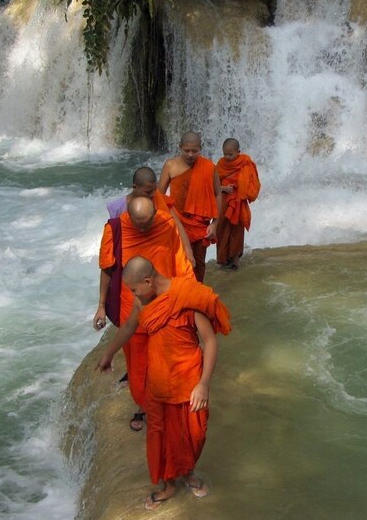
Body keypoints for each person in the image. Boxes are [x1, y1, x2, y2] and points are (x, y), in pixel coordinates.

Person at [97, 255, 231, 510]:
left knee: (194, 435)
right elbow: (128, 327)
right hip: (158, 384)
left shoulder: (186, 298)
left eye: (135, 289)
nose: (134, 294)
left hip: (189, 381)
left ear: (148, 281)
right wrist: (109, 352)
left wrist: (203, 384)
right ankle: (169, 485)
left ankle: (187, 472)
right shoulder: (143, 301)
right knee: (160, 437)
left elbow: (210, 341)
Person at [92, 197, 195, 431]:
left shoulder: (165, 223)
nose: (142, 230)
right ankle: (145, 405)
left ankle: (159, 408)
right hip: (131, 310)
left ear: (154, 216)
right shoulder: (116, 228)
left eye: (147, 223)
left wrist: (188, 300)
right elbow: (107, 268)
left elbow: (181, 263)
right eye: (137, 224)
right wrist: (101, 304)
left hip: (166, 308)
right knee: (138, 372)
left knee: (167, 365)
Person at [159, 131, 222, 282]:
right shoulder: (170, 165)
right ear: (180, 147)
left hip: (200, 225)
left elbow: (218, 194)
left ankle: (197, 295)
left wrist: (215, 223)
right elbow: (159, 195)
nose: (190, 154)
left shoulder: (208, 167)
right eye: (186, 150)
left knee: (199, 264)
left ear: (201, 148)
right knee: (180, 262)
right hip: (177, 222)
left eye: (195, 151)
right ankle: (181, 296)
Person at [105, 166, 194, 265]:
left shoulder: (159, 199)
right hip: (130, 259)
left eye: (154, 190)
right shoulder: (117, 208)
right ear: (135, 187)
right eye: (148, 192)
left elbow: (176, 225)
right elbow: (114, 236)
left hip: (158, 254)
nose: (152, 194)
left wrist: (188, 250)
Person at [215, 138, 261, 270]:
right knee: (221, 230)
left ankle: (235, 261)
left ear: (238, 152)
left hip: (238, 202)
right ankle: (223, 259)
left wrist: (242, 190)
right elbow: (213, 183)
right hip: (223, 201)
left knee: (237, 231)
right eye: (225, 154)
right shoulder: (220, 164)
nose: (227, 157)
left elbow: (253, 182)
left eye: (231, 154)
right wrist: (223, 188)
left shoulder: (245, 163)